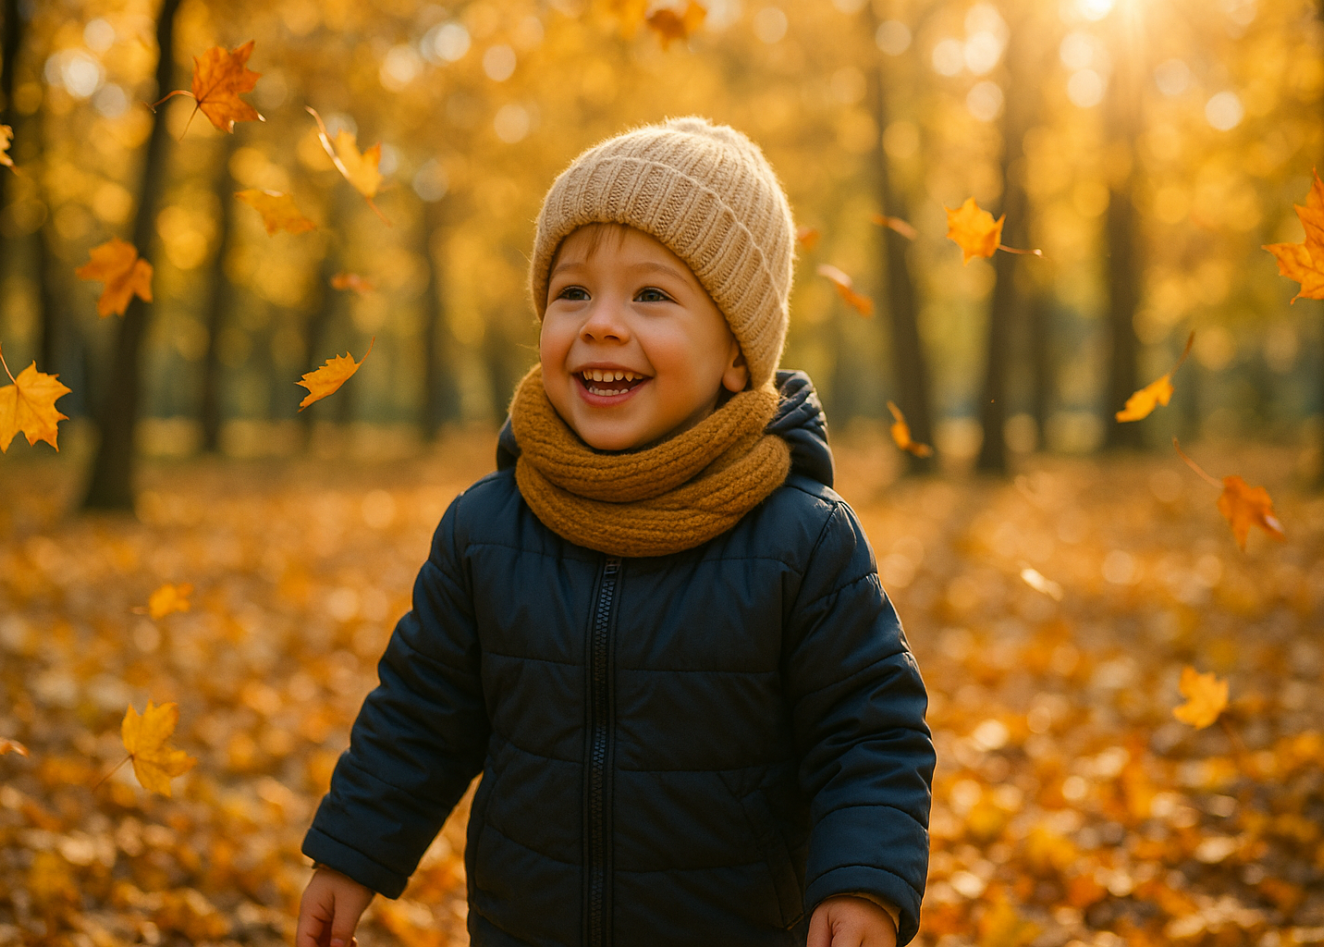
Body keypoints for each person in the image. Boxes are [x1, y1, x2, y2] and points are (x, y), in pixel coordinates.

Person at [295, 116, 935, 947]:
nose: (600, 322)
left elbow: (870, 735)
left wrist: (863, 881)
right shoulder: (487, 528)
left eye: (650, 295)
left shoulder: (801, 540)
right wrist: (352, 853)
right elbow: (420, 715)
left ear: (736, 356)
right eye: (572, 292)